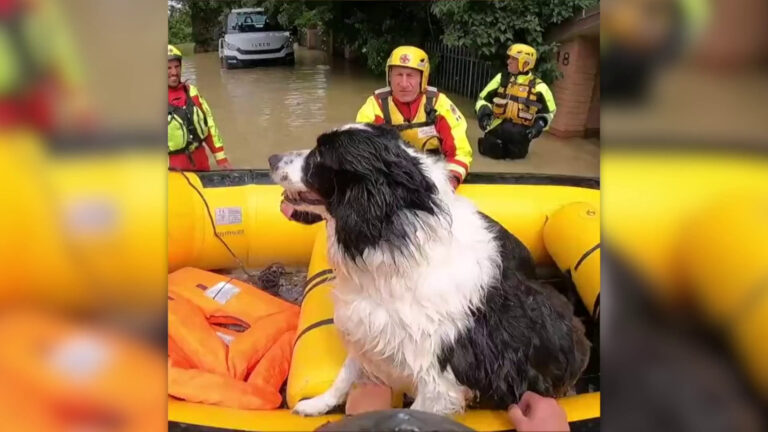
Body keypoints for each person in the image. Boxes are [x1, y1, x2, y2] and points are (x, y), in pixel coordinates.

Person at [356, 46, 473, 189]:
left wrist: (449, 183)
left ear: (422, 79)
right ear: (389, 77)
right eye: (398, 75)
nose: (404, 84)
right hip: (392, 179)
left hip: (434, 175)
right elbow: (363, 153)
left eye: (410, 75)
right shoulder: (375, 107)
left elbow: (460, 152)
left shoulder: (440, 105)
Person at [475, 43, 556, 160]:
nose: (508, 61)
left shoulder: (540, 87)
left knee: (515, 156)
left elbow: (550, 112)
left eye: (513, 59)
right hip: (496, 130)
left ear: (525, 63)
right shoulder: (502, 78)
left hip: (520, 137)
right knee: (491, 150)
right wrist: (484, 116)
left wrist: (537, 127)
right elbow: (482, 99)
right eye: (509, 58)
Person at [167, 45, 231, 170]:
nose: (174, 72)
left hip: (201, 163)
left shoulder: (192, 92)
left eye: (177, 67)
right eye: (168, 68)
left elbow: (210, 127)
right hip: (173, 169)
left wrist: (221, 159)